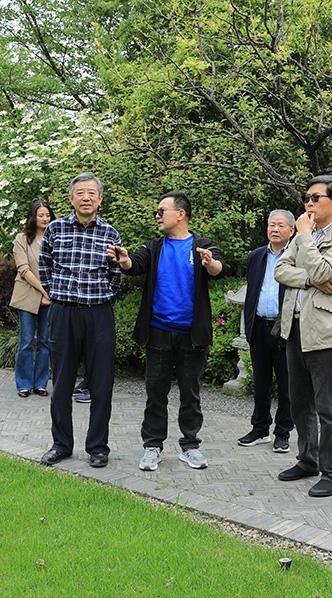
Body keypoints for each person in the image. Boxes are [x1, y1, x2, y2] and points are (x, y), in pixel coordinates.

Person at [107, 192, 225, 472]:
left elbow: (218, 268)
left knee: (190, 394)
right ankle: (152, 446)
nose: (157, 216)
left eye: (162, 211)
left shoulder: (202, 246)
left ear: (180, 214)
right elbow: (135, 265)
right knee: (155, 393)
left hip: (192, 335)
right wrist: (124, 260)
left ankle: (190, 446)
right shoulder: (154, 247)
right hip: (158, 332)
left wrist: (209, 263)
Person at [273, 175, 332, 498]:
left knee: (328, 408)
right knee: (299, 403)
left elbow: (325, 270)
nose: (308, 204)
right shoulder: (302, 235)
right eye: (306, 198)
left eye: (315, 198)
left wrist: (306, 238)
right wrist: (310, 280)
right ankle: (308, 460)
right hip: (294, 328)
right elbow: (280, 270)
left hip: (327, 332)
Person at [38, 172, 122, 469]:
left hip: (98, 313)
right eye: (80, 193)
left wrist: (102, 295)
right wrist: (56, 294)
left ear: (100, 199)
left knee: (101, 383)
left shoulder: (110, 233)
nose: (86, 198)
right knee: (61, 382)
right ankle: (61, 444)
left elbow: (116, 274)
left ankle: (98, 446)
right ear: (71, 199)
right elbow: (44, 266)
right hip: (63, 312)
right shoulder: (55, 229)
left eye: (91, 193)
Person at [238, 209, 295, 452]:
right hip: (259, 326)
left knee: (286, 384)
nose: (275, 229)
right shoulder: (256, 256)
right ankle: (260, 428)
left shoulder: (296, 256)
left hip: (285, 327)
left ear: (292, 230)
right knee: (261, 382)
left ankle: (283, 432)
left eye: (280, 225)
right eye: (272, 224)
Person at [10, 200, 55, 397]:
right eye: (41, 215)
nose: (45, 219)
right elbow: (23, 270)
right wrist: (44, 292)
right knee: (27, 341)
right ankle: (24, 383)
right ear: (33, 218)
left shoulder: (56, 238)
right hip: (28, 295)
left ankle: (41, 383)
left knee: (45, 341)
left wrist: (51, 294)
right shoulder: (21, 239)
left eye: (48, 215)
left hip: (51, 296)